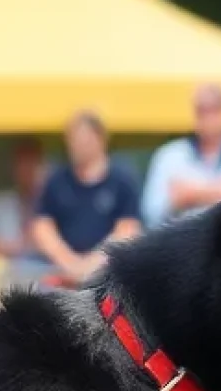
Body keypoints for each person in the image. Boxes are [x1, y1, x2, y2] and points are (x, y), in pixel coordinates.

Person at [30, 111, 143, 286]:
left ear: (100, 139)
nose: (77, 146)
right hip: (61, 274)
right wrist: (69, 263)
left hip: (108, 274)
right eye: (73, 140)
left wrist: (91, 265)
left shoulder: (122, 181)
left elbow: (128, 230)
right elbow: (42, 228)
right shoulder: (56, 181)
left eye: (84, 139)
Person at [138, 82, 221, 230]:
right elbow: (150, 214)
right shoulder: (169, 155)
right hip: (183, 247)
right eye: (202, 111)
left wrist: (193, 194)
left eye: (214, 109)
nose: (209, 118)